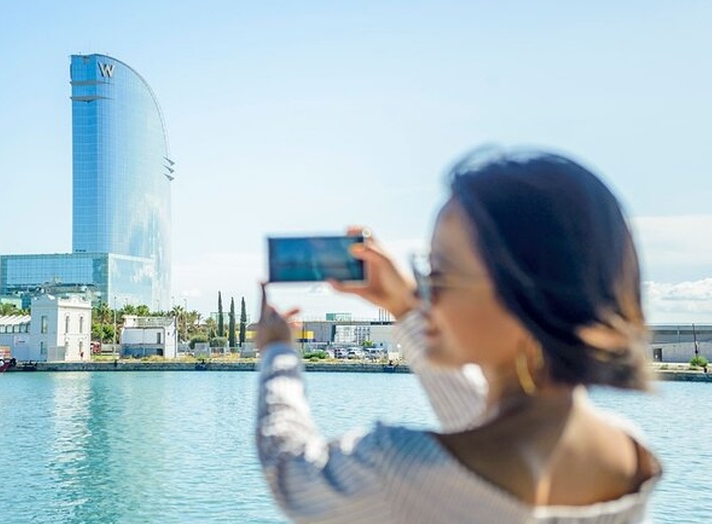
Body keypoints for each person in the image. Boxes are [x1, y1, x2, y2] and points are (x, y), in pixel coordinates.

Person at [255, 149, 662, 523]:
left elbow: (289, 472)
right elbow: (483, 425)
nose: (426, 292)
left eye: (438, 273)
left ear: (525, 298)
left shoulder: (394, 469)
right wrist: (404, 307)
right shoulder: (629, 454)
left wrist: (278, 353)